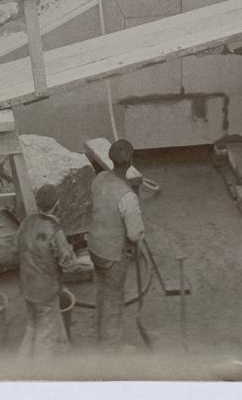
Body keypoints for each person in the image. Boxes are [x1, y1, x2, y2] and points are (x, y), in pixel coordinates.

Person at [87, 141, 147, 347]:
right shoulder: (127, 196)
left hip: (94, 247)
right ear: (131, 162)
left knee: (101, 292)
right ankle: (110, 351)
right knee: (113, 300)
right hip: (113, 255)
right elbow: (135, 234)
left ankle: (97, 334)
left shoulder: (99, 179)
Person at [16, 182, 69, 358]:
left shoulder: (26, 222)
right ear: (57, 204)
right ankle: (40, 374)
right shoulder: (54, 230)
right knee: (46, 333)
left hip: (27, 286)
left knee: (32, 325)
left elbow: (15, 246)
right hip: (45, 291)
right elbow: (66, 260)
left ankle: (21, 364)